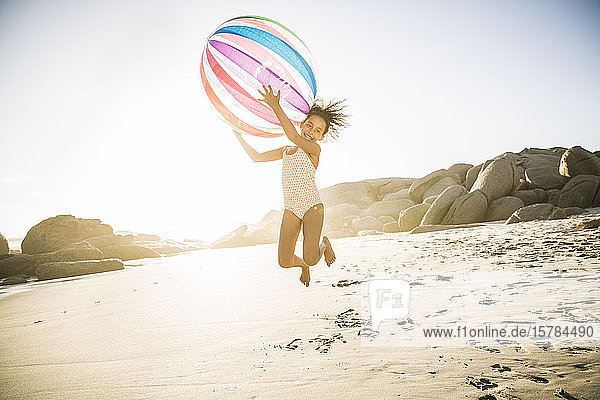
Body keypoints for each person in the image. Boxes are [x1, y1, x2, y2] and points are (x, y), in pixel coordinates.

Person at [234, 85, 349, 287]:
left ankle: (325, 244)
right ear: (302, 124)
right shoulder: (285, 151)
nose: (312, 132)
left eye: (318, 131)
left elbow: (293, 136)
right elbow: (256, 157)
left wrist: (275, 105)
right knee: (284, 261)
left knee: (313, 257)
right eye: (309, 125)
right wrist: (239, 136)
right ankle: (303, 266)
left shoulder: (314, 150)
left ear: (322, 137)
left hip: (312, 206)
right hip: (291, 208)